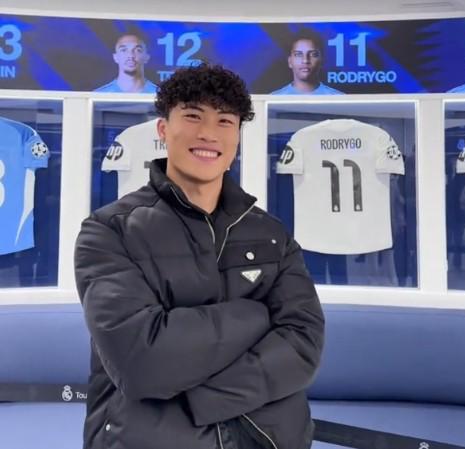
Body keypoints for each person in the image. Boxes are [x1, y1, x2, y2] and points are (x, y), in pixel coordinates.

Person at [75, 64, 324, 449]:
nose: (209, 133)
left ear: (237, 136)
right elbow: (142, 362)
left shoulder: (271, 233)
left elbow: (303, 342)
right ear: (163, 129)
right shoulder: (109, 231)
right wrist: (256, 315)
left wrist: (207, 398)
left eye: (225, 120)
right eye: (193, 116)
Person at [271, 32, 343, 95]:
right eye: (298, 54)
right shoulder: (274, 98)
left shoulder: (338, 98)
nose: (305, 60)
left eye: (313, 54)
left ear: (321, 60)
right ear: (290, 61)